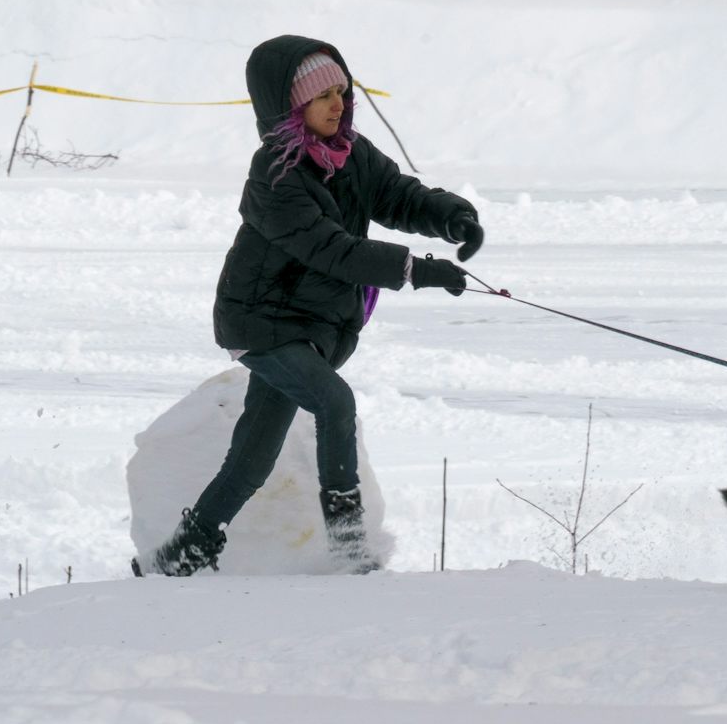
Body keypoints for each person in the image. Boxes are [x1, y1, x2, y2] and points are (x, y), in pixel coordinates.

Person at [135, 35, 483, 577]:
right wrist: (415, 269)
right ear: (291, 107)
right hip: (261, 322)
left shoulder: (352, 155)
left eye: (342, 91)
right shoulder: (274, 174)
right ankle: (349, 549)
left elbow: (398, 195)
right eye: (323, 96)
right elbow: (331, 250)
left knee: (253, 457)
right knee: (334, 402)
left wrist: (452, 217)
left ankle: (182, 554)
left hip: (311, 326)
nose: (338, 104)